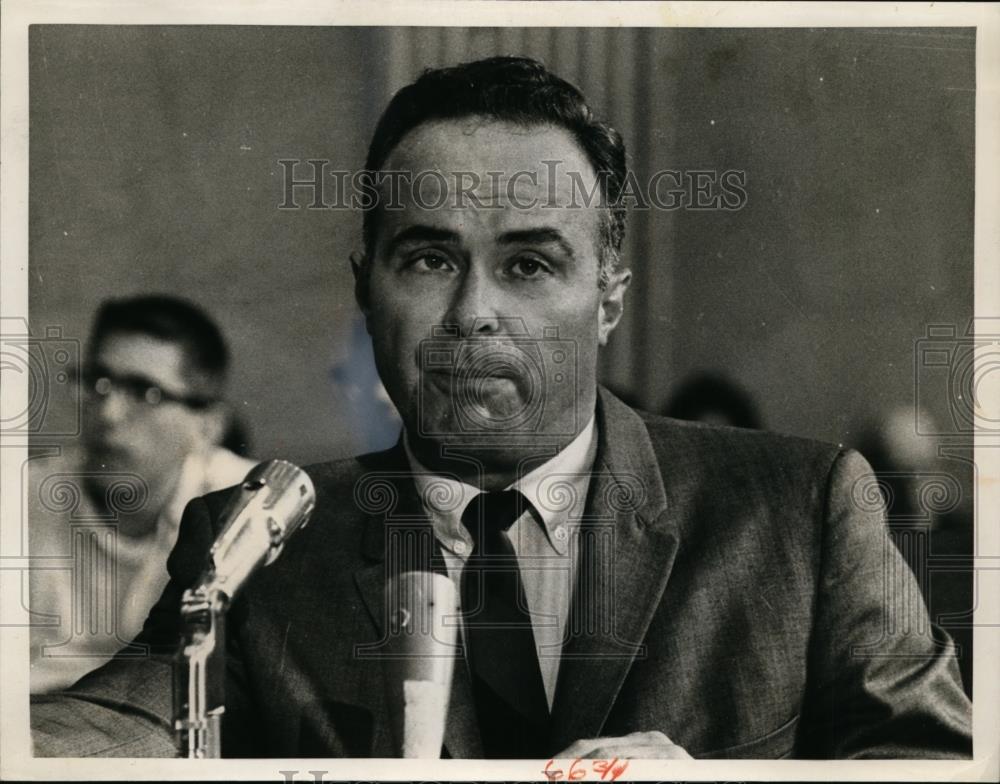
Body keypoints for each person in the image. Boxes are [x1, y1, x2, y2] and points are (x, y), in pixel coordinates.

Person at [32, 57, 970, 759]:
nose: (473, 313)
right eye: (428, 259)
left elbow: (932, 763)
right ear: (366, 290)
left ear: (608, 298)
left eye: (528, 264)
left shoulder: (801, 510)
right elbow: (116, 724)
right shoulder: (266, 547)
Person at [28, 295, 257, 693]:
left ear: (207, 426)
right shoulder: (19, 499)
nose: (108, 414)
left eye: (144, 392)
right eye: (98, 383)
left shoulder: (248, 508)